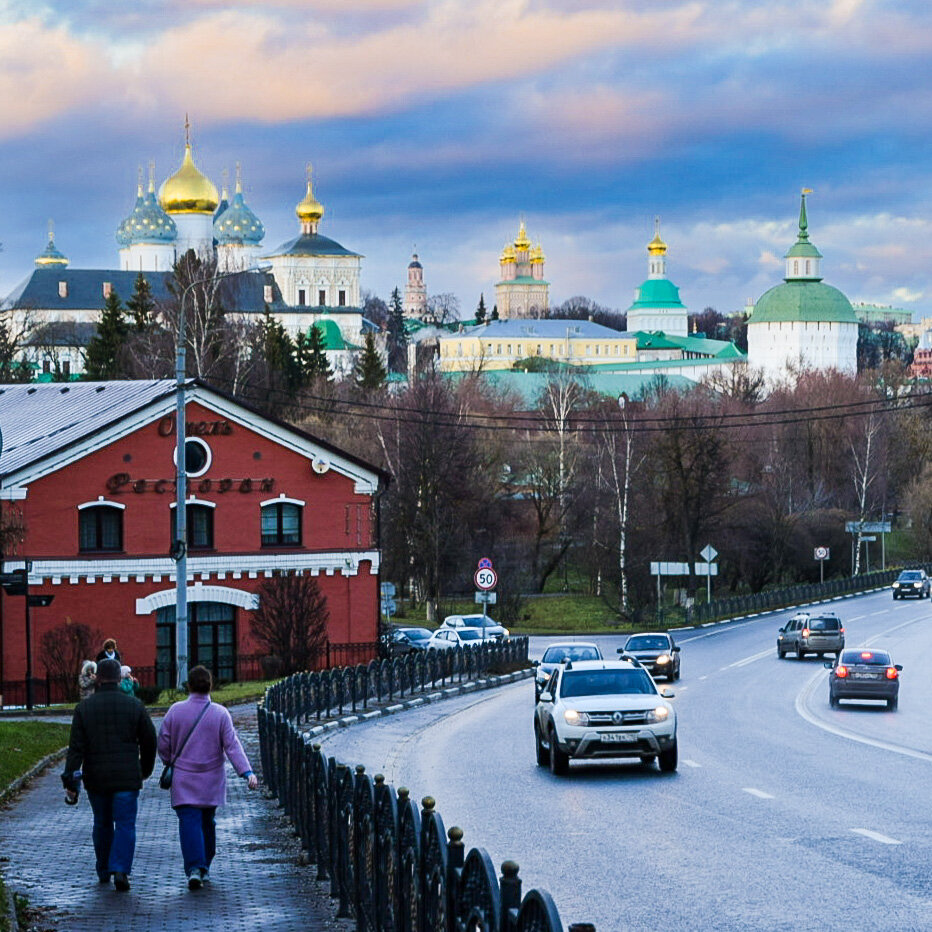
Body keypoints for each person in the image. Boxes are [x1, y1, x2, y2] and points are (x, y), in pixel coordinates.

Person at [157, 665, 259, 890]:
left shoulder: (175, 711)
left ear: (189, 686)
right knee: (207, 822)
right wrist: (247, 772)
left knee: (189, 821)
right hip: (211, 779)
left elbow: (163, 742)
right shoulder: (220, 714)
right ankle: (205, 866)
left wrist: (169, 761)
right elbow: (232, 745)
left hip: (183, 778)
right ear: (210, 686)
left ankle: (195, 867)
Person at [62, 658, 157, 891]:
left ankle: (104, 868)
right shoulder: (134, 706)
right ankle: (121, 869)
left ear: (98, 678)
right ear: (119, 678)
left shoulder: (84, 708)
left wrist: (71, 780)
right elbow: (149, 740)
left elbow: (76, 748)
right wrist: (144, 769)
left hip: (96, 777)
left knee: (102, 823)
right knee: (125, 824)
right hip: (127, 776)